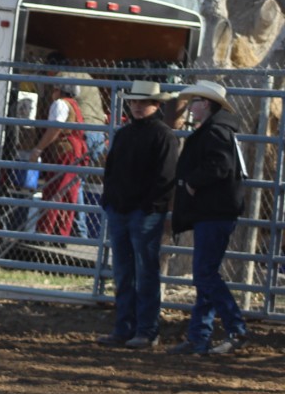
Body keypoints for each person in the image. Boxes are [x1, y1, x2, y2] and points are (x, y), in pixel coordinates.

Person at [167, 80, 249, 355]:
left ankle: (234, 327)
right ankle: (199, 336)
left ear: (207, 104)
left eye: (196, 102)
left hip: (213, 211)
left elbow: (220, 165)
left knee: (204, 274)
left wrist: (192, 182)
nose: (192, 107)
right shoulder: (219, 130)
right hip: (215, 211)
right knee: (206, 274)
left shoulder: (214, 132)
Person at [96, 81, 179, 349]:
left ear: (156, 104)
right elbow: (111, 171)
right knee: (126, 272)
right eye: (134, 102)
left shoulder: (162, 136)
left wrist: (146, 205)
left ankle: (143, 329)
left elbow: (166, 177)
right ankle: (128, 328)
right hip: (126, 210)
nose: (137, 106)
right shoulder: (127, 134)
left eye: (143, 102)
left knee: (141, 272)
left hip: (141, 213)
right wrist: (110, 200)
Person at [28, 79, 85, 238]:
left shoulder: (60, 104)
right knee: (68, 193)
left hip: (64, 151)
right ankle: (60, 233)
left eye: (55, 89)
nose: (53, 92)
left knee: (55, 190)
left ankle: (45, 232)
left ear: (60, 91)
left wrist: (39, 148)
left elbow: (55, 128)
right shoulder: (75, 105)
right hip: (75, 152)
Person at [58, 72, 107, 238]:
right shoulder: (88, 78)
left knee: (75, 182)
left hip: (83, 130)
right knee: (78, 181)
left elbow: (59, 102)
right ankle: (75, 227)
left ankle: (79, 230)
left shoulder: (63, 77)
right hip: (99, 132)